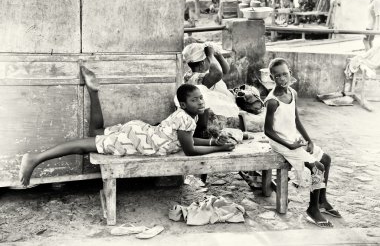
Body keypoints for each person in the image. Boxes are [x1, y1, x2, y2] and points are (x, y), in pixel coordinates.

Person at [19, 67, 236, 187]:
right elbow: (189, 151)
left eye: (200, 98)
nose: (200, 102)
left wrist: (211, 141)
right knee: (85, 145)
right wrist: (220, 148)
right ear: (183, 104)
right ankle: (35, 159)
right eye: (194, 100)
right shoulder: (187, 118)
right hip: (139, 141)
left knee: (94, 135)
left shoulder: (188, 116)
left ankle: (93, 92)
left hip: (143, 133)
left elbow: (186, 140)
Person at [264, 58, 341, 228]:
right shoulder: (273, 101)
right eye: (277, 76)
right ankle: (312, 210)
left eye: (285, 74)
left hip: (293, 138)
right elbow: (268, 131)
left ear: (290, 72)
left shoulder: (292, 93)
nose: (282, 79)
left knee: (325, 159)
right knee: (317, 167)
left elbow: (296, 120)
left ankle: (322, 201)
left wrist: (309, 140)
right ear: (272, 78)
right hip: (281, 142)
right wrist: (289, 145)